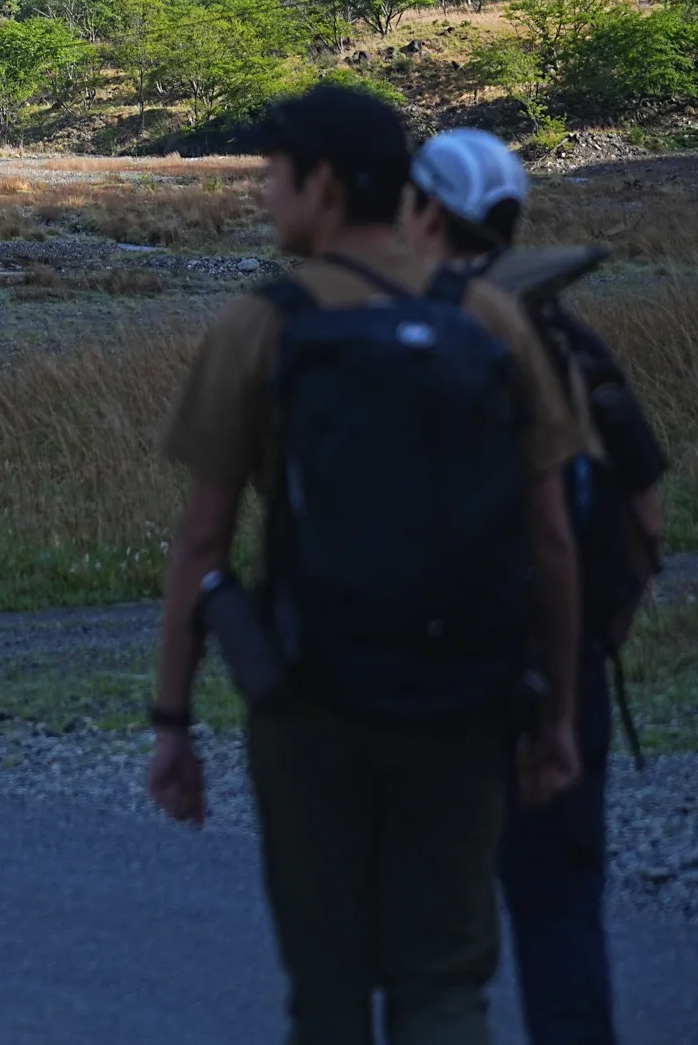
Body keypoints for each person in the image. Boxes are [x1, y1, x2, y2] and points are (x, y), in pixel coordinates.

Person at [147, 83, 583, 1045]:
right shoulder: (495, 321)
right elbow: (549, 539)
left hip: (310, 700)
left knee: (329, 988)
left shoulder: (259, 327)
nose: (265, 191)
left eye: (276, 173)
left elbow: (202, 544)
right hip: (466, 696)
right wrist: (553, 709)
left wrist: (173, 721)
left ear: (328, 185)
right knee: (444, 982)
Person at [403, 128, 667, 1045]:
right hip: (562, 666)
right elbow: (644, 515)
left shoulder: (386, 340)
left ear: (422, 210)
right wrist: (597, 633)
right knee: (558, 907)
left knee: (429, 929)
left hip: (421, 677)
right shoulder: (567, 339)